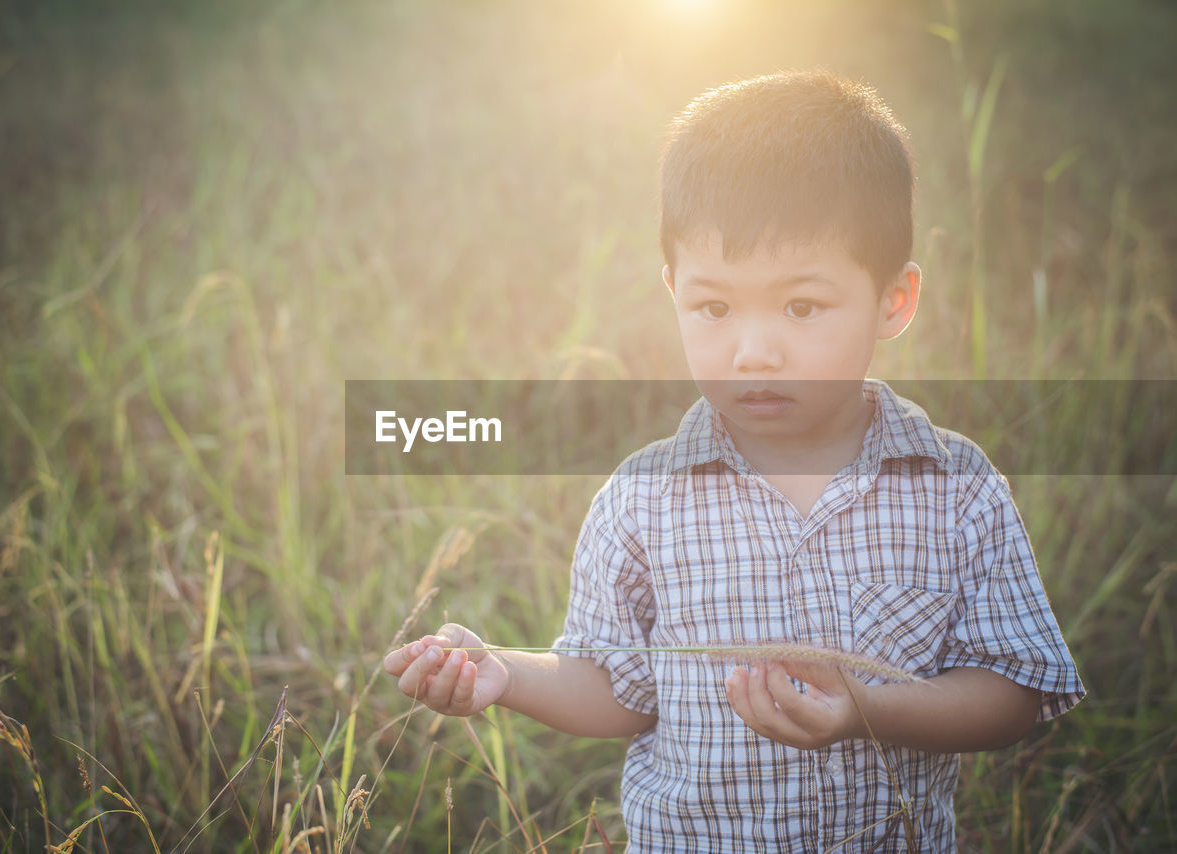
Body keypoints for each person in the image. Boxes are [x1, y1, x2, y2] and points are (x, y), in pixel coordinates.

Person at [383, 70, 1084, 851]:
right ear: (673, 291)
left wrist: (865, 708)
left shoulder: (956, 489)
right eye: (714, 308)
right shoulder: (642, 499)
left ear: (894, 301)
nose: (754, 352)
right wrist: (505, 674)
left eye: (802, 307)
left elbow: (1014, 692)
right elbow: (615, 687)